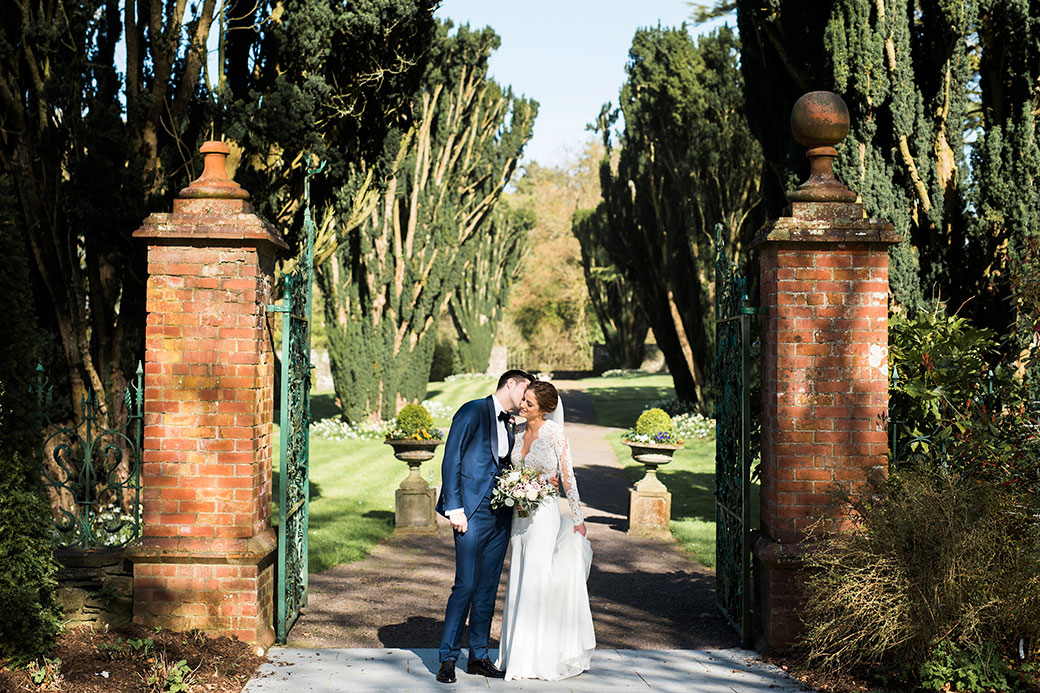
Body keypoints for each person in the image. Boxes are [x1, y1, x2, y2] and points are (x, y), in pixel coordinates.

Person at [434, 369, 534, 684]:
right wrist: (454, 508)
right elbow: (452, 459)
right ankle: (447, 659)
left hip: (501, 515)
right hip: (470, 512)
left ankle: (478, 656)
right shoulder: (472, 410)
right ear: (511, 383)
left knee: (488, 588)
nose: (526, 398)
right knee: (466, 585)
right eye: (525, 390)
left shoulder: (511, 423)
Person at [495, 380, 596, 681]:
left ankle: (536, 658)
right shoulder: (515, 431)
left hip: (544, 515)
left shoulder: (555, 433)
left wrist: (578, 518)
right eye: (523, 400)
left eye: (529, 403)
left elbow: (568, 477)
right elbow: (508, 468)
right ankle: (514, 655)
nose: (523, 405)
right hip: (519, 515)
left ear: (545, 409)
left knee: (537, 579)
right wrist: (512, 487)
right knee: (518, 576)